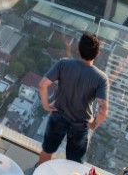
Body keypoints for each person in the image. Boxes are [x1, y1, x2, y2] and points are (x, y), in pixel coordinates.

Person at [37, 33, 109, 164]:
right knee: (73, 162)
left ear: (78, 49)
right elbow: (103, 110)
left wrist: (46, 105)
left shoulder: (63, 64)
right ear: (97, 54)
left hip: (58, 116)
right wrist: (93, 124)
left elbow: (42, 85)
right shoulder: (101, 78)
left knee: (47, 150)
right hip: (80, 125)